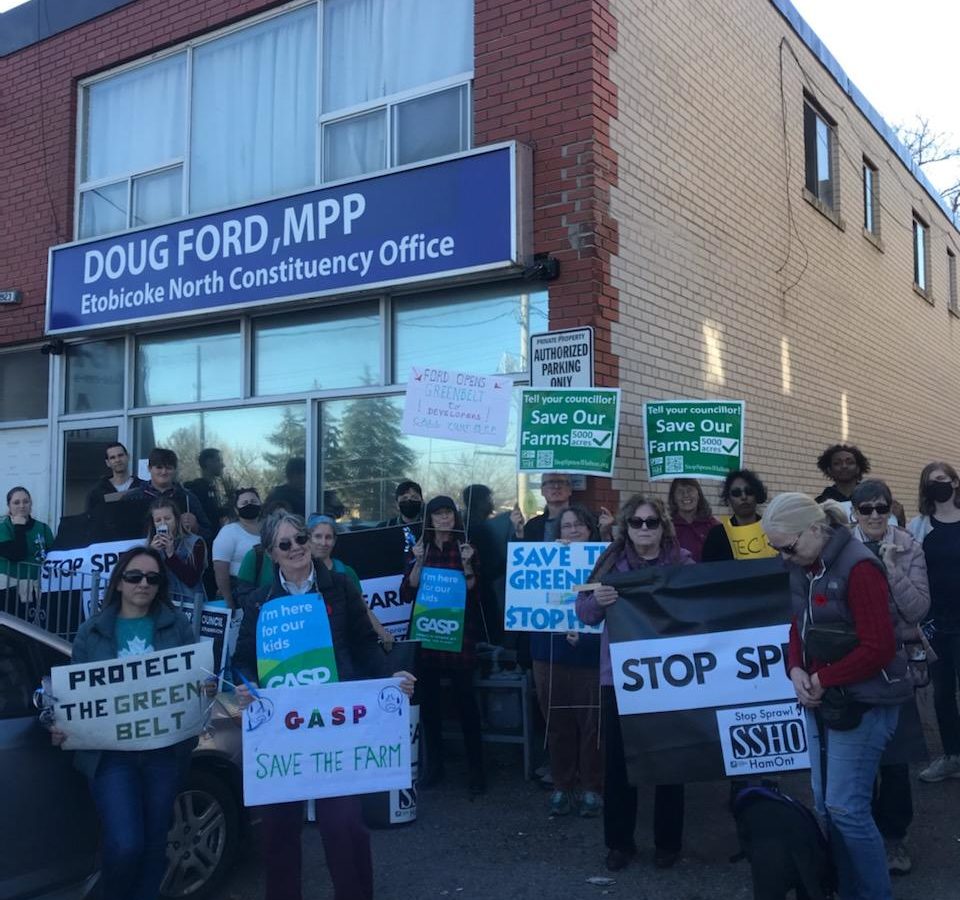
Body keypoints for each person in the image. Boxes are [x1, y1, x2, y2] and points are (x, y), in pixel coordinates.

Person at [233, 511, 415, 900]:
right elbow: (242, 659)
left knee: (343, 823)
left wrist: (390, 677)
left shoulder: (340, 586)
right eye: (286, 544)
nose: (297, 547)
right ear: (271, 553)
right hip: (283, 729)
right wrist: (246, 687)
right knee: (279, 828)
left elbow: (364, 643)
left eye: (300, 538)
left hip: (337, 724)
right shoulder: (260, 602)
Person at [762, 492, 911, 900]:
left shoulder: (860, 567)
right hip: (829, 697)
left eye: (788, 548)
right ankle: (848, 890)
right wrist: (794, 668)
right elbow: (799, 623)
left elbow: (879, 647)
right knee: (831, 808)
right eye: (778, 550)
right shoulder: (806, 563)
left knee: (846, 809)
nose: (784, 558)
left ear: (814, 530)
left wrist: (823, 679)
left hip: (862, 701)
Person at [54, 545, 201, 900]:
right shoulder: (92, 632)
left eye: (152, 578)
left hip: (163, 753)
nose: (143, 584)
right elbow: (76, 696)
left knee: (154, 844)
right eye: (134, 576)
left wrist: (204, 690)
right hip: (110, 756)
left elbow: (193, 680)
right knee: (125, 844)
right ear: (119, 582)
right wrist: (63, 723)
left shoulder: (176, 625)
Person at [576, 494, 693, 871]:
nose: (644, 529)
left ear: (663, 526)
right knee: (619, 766)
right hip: (620, 679)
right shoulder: (611, 562)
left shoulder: (682, 562)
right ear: (626, 527)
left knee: (672, 761)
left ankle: (668, 843)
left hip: (671, 676)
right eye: (637, 522)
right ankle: (619, 843)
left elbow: (700, 607)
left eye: (652, 522)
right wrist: (601, 601)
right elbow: (584, 612)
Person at [850, 479, 930, 875]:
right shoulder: (840, 548)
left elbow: (917, 610)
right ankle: (860, 837)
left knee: (895, 759)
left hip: (895, 664)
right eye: (867, 510)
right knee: (856, 757)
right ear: (855, 513)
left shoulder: (909, 546)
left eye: (882, 508)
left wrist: (893, 569)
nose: (876, 516)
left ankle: (894, 839)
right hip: (852, 664)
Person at [400, 495, 485, 794]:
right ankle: (433, 768)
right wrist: (418, 561)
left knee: (466, 706)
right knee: (430, 709)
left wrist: (467, 565)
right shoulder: (419, 549)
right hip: (427, 639)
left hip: (460, 638)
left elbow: (475, 594)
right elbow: (407, 592)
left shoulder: (465, 548)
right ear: (429, 519)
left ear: (455, 517)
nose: (444, 518)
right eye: (438, 514)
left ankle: (477, 772)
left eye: (448, 513)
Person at [531, 504, 603, 817]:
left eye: (579, 526)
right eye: (566, 527)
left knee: (591, 725)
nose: (572, 532)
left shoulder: (602, 562)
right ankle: (562, 785)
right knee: (556, 724)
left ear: (590, 530)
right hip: (549, 652)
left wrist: (585, 635)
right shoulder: (545, 560)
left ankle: (592, 787)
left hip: (589, 652)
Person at [906, 462, 960, 783]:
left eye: (941, 480)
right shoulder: (918, 526)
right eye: (930, 482)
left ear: (955, 482)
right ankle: (952, 755)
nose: (936, 485)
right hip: (936, 622)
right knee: (942, 692)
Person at [307, 512, 394, 648]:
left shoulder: (345, 571)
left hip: (345, 642)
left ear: (334, 541)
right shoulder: (300, 572)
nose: (323, 543)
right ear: (309, 539)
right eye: (318, 536)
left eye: (328, 537)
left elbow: (363, 608)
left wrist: (383, 633)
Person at [125, 448, 213, 544]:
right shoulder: (132, 497)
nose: (164, 472)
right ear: (149, 468)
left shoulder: (188, 497)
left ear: (174, 470)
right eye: (159, 467)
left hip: (179, 555)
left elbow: (208, 534)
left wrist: (196, 527)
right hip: (143, 555)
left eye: (168, 468)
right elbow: (119, 534)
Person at [815, 444, 905, 525]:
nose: (844, 466)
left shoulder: (877, 499)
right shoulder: (820, 503)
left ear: (858, 468)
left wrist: (900, 518)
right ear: (829, 470)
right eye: (837, 463)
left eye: (850, 462)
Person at [701, 469, 776, 562]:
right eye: (736, 493)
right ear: (728, 499)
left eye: (749, 491)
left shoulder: (774, 531)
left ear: (757, 495)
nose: (744, 497)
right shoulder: (716, 536)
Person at [147, 498, 207, 612]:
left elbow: (192, 579)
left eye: (168, 518)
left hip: (190, 604)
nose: (163, 523)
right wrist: (151, 554)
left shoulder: (195, 542)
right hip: (162, 605)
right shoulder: (150, 546)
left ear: (176, 519)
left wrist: (171, 554)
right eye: (158, 520)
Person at [211, 487, 263, 610]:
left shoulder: (269, 529)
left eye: (253, 501)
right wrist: (228, 601)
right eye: (244, 503)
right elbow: (220, 569)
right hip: (239, 591)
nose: (249, 505)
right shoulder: (229, 532)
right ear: (236, 509)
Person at [0, 486, 54, 596]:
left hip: (37, 587)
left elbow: (53, 557)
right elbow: (17, 554)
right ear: (9, 506)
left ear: (31, 504)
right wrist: (19, 526)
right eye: (16, 502)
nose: (22, 506)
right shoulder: (3, 528)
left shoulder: (43, 528)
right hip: (9, 589)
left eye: (26, 501)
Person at [667, 478, 718, 562]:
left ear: (698, 495)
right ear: (674, 498)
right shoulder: (667, 527)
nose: (686, 495)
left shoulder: (713, 525)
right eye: (680, 491)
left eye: (690, 490)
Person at [85, 442, 145, 512]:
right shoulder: (97, 492)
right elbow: (90, 519)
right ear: (108, 463)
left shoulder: (143, 487)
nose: (117, 460)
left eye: (120, 455)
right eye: (113, 457)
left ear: (128, 457)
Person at [513, 472, 572, 541]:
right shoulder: (532, 526)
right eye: (551, 482)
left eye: (561, 482)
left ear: (570, 489)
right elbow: (521, 549)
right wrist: (519, 533)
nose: (556, 486)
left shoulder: (584, 522)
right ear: (542, 490)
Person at [185, 448, 232, 531]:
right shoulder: (197, 488)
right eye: (218, 460)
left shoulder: (214, 487)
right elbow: (210, 514)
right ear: (208, 462)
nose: (223, 465)